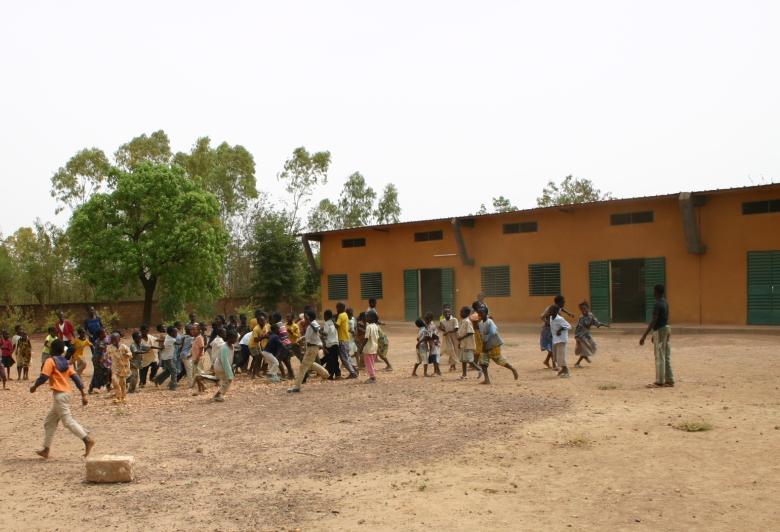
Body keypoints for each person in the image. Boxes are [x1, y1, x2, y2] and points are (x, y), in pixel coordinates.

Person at [30, 339, 95, 459]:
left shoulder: (50, 361)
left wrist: (34, 387)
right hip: (66, 394)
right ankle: (46, 449)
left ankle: (87, 439)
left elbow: (44, 376)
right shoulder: (65, 362)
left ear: (52, 349)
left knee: (67, 421)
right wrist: (83, 394)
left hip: (59, 395)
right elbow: (76, 378)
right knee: (49, 422)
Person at [287, 309, 329, 393]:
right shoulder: (310, 325)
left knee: (303, 367)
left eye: (305, 318)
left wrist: (310, 323)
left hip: (312, 348)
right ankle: (325, 374)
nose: (304, 320)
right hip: (311, 348)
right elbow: (308, 336)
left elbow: (317, 330)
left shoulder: (313, 324)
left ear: (308, 317)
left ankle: (297, 386)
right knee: (310, 364)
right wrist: (300, 339)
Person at [640, 284, 674, 388]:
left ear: (656, 292)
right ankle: (670, 380)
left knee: (660, 356)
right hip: (666, 329)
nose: (653, 293)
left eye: (654, 291)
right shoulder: (665, 303)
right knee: (666, 356)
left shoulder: (657, 304)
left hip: (660, 330)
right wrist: (655, 334)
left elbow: (654, 320)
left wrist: (644, 335)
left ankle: (660, 381)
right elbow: (664, 319)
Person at [477, 306, 519, 384]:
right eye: (479, 313)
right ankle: (487, 379)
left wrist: (485, 341)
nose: (480, 314)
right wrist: (483, 343)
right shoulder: (480, 323)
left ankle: (513, 369)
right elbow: (482, 334)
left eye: (482, 313)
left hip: (494, 344)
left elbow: (493, 332)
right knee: (483, 361)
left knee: (498, 359)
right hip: (485, 345)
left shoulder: (490, 322)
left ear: (486, 313)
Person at [540, 295, 574, 369]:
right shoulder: (551, 309)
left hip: (553, 329)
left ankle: (547, 361)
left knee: (554, 346)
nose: (564, 303)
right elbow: (542, 317)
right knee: (553, 346)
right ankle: (554, 365)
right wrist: (549, 323)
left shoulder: (558, 307)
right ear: (559, 302)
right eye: (563, 302)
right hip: (547, 329)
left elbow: (562, 309)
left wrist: (569, 313)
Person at [574, 301, 607, 368]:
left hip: (587, 334)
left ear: (588, 308)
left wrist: (601, 324)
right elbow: (582, 326)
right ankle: (577, 363)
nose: (583, 310)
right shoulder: (581, 318)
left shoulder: (591, 315)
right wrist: (577, 338)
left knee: (593, 345)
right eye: (581, 309)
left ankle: (585, 357)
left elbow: (595, 321)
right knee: (585, 349)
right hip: (581, 335)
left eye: (584, 308)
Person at [208, 329, 237, 402]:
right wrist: (229, 373)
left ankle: (218, 394)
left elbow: (230, 359)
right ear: (229, 338)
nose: (235, 340)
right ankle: (218, 395)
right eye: (234, 338)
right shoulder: (224, 348)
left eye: (236, 338)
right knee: (228, 380)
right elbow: (225, 362)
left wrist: (231, 368)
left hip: (224, 366)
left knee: (226, 381)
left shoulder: (231, 346)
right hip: (220, 367)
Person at [457, 306, 482, 380]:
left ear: (467, 313)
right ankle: (464, 374)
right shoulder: (463, 321)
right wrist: (460, 342)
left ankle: (479, 369)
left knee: (468, 360)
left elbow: (470, 332)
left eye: (462, 312)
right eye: (460, 312)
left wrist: (461, 338)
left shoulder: (467, 321)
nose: (460, 313)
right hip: (463, 344)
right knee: (463, 360)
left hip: (467, 344)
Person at [335, 302, 358, 379]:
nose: (337, 309)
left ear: (341, 308)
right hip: (346, 339)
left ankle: (352, 372)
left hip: (341, 339)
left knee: (344, 358)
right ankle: (354, 368)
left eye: (337, 308)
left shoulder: (341, 315)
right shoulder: (345, 315)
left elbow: (337, 325)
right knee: (347, 356)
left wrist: (331, 322)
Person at [108, 332, 131, 403]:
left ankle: (123, 397)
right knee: (114, 380)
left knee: (123, 383)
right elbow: (107, 356)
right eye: (112, 339)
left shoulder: (124, 346)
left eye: (115, 339)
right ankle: (118, 397)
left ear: (119, 339)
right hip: (115, 368)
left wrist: (127, 354)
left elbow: (130, 353)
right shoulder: (109, 348)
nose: (113, 341)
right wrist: (104, 360)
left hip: (123, 368)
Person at [154, 326, 179, 390]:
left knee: (168, 371)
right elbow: (178, 343)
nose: (176, 334)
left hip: (165, 357)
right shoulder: (172, 340)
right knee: (174, 371)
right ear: (171, 333)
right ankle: (173, 386)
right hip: (168, 358)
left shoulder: (168, 336)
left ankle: (157, 380)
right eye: (175, 333)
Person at [549, 306, 571, 378]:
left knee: (561, 356)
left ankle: (567, 371)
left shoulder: (560, 319)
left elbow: (568, 326)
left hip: (561, 339)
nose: (549, 311)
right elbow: (553, 327)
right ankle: (562, 370)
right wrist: (551, 334)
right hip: (555, 339)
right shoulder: (551, 318)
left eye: (551, 310)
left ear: (556, 312)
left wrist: (560, 330)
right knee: (556, 356)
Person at [88, 329, 111, 394]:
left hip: (102, 359)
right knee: (97, 374)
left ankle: (108, 386)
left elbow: (108, 341)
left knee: (107, 372)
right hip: (97, 360)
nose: (105, 334)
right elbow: (104, 348)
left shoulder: (103, 340)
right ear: (100, 335)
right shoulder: (98, 342)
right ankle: (91, 387)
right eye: (104, 333)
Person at [438, 305, 459, 372]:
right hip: (447, 338)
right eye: (445, 313)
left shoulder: (454, 319)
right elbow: (442, 329)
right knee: (449, 350)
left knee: (455, 351)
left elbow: (456, 329)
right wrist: (441, 328)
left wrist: (448, 332)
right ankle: (436, 361)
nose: (447, 314)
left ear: (450, 313)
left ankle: (453, 365)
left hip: (454, 337)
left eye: (448, 312)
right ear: (443, 314)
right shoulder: (442, 321)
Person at [322, 310, 341, 379]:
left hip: (330, 344)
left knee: (330, 360)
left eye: (324, 316)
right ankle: (338, 374)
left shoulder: (326, 323)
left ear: (326, 316)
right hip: (336, 343)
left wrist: (320, 332)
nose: (324, 317)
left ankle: (331, 374)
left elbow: (325, 334)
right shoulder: (333, 322)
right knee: (335, 360)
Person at [363, 311, 381, 384]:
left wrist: (361, 347)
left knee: (368, 363)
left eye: (367, 316)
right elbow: (377, 337)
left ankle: (372, 377)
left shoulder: (369, 327)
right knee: (372, 362)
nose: (366, 318)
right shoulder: (375, 326)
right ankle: (373, 376)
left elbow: (366, 338)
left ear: (371, 318)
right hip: (374, 347)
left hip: (368, 348)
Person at [423, 312, 442, 377]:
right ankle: (438, 371)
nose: (425, 321)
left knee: (435, 357)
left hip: (435, 343)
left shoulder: (431, 326)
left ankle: (436, 371)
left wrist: (424, 339)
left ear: (430, 319)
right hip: (433, 343)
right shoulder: (428, 325)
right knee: (434, 357)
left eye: (426, 319)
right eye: (425, 319)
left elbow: (430, 336)